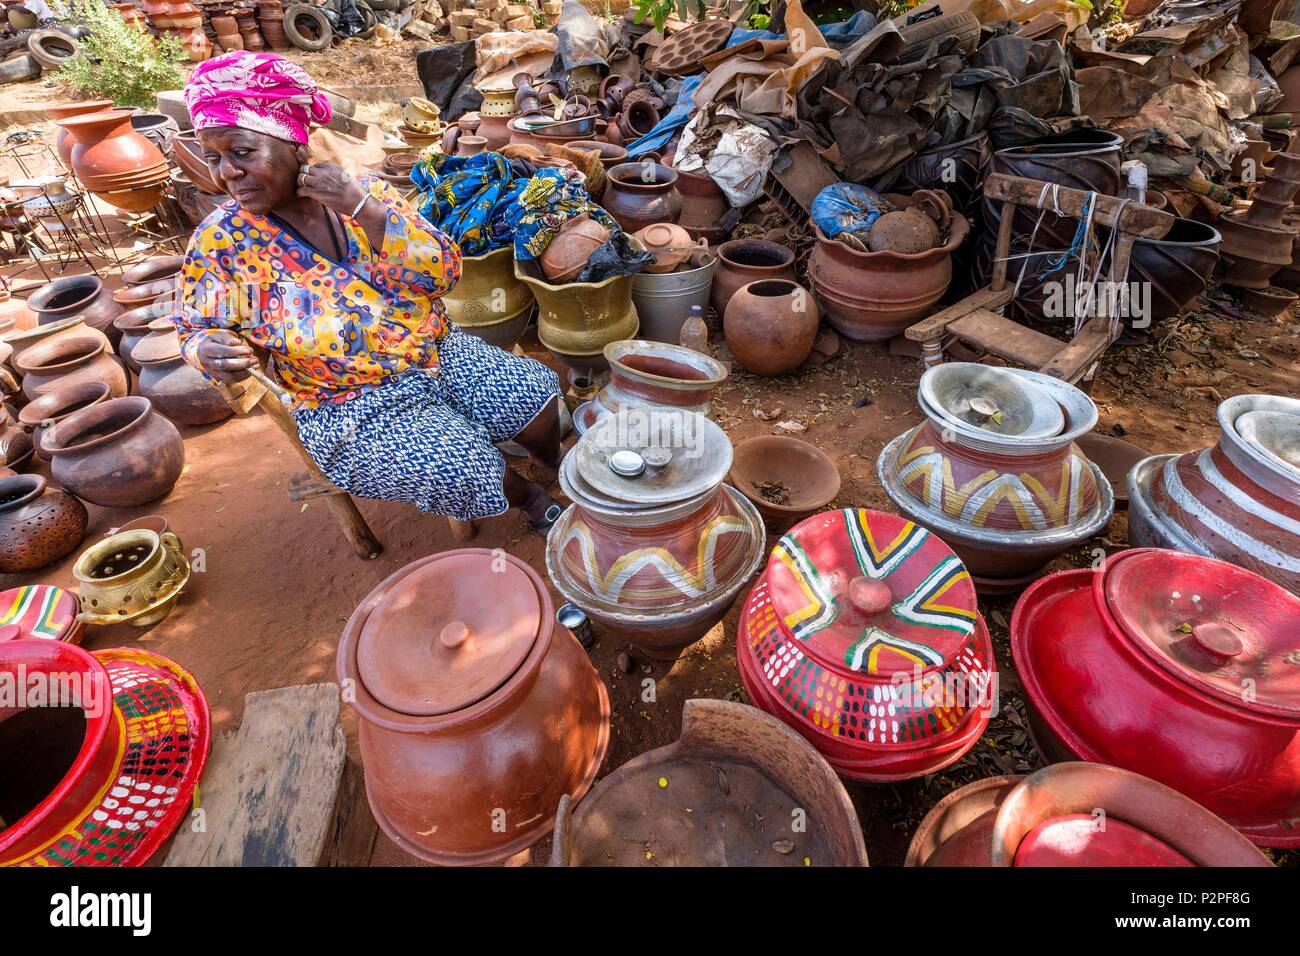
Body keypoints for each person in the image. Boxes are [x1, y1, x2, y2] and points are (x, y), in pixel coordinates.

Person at [173, 50, 563, 528]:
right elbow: (198, 327)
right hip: (347, 402)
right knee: (461, 463)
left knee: (532, 396)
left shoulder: (359, 193)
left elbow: (443, 275)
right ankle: (532, 501)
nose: (225, 172)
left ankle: (554, 464)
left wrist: (365, 210)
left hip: (438, 352)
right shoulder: (224, 242)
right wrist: (206, 348)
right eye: (212, 157)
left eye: (241, 152)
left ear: (295, 145)